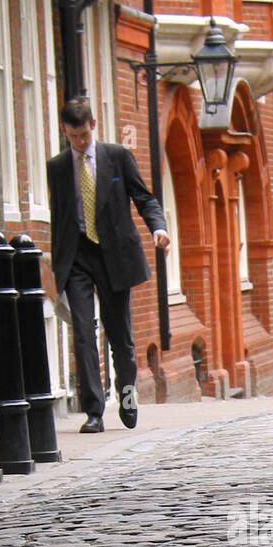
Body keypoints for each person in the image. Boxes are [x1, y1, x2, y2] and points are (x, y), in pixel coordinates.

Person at [47, 97, 170, 433]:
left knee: (121, 338)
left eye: (84, 135)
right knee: (84, 334)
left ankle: (127, 399)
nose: (80, 143)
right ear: (65, 132)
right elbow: (59, 219)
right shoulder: (57, 168)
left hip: (114, 255)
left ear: (94, 126)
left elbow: (144, 197)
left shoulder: (116, 157)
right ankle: (94, 412)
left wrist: (158, 228)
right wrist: (55, 272)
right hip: (77, 258)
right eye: (73, 137)